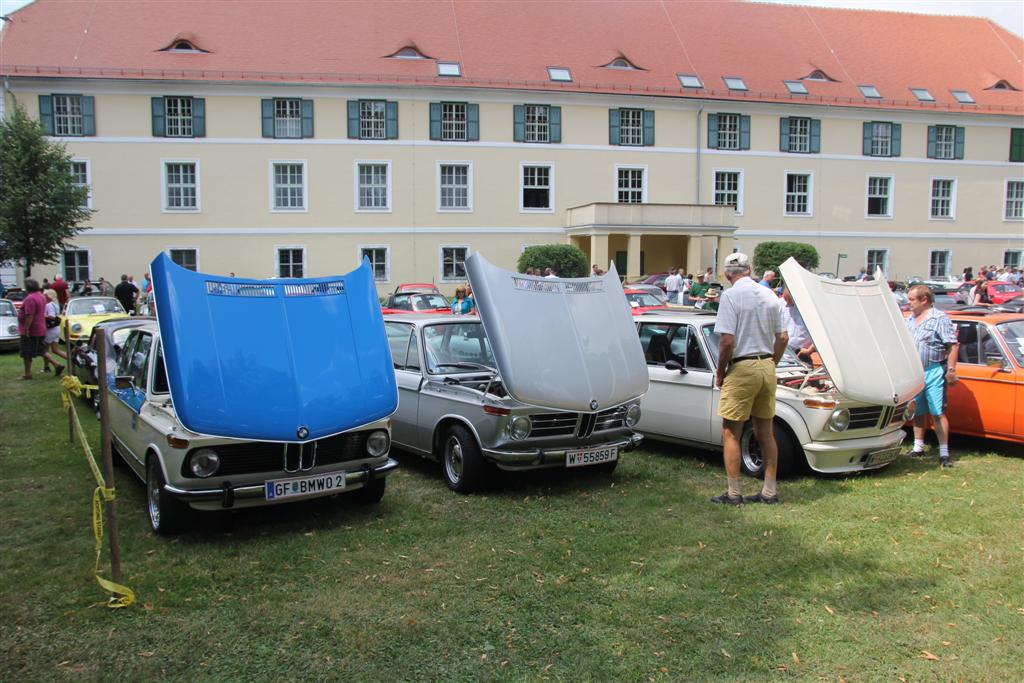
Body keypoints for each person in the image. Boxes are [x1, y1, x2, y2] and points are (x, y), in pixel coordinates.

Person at [711, 253, 787, 506]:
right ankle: (769, 490)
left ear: (727, 274)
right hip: (767, 364)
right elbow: (784, 337)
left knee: (731, 431)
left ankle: (733, 493)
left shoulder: (731, 296)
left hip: (742, 365)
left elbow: (727, 340)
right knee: (765, 431)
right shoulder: (769, 295)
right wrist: (771, 362)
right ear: (750, 270)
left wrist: (720, 372)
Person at [905, 284, 959, 468]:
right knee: (918, 411)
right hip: (915, 372)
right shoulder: (910, 320)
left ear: (924, 300)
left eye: (912, 299)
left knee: (937, 412)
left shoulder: (939, 318)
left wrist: (951, 370)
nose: (908, 303)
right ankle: (918, 447)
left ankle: (944, 453)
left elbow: (952, 345)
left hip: (934, 370)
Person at [17, 279, 61, 380]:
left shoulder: (30, 298)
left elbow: (29, 315)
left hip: (32, 330)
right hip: (40, 328)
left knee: (26, 353)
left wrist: (26, 329)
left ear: (28, 287)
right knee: (41, 350)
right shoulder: (41, 296)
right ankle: (56, 365)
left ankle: (27, 374)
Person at [779, 287, 815, 363]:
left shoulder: (812, 308)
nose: (787, 304)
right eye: (785, 299)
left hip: (802, 355)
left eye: (790, 301)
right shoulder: (780, 303)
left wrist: (810, 350)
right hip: (783, 354)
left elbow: (822, 334)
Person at [41, 289, 67, 374]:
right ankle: (71, 360)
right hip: (56, 329)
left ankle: (48, 366)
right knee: (55, 350)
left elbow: (51, 316)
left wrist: (42, 316)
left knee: (44, 350)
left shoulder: (48, 305)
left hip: (50, 330)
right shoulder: (56, 304)